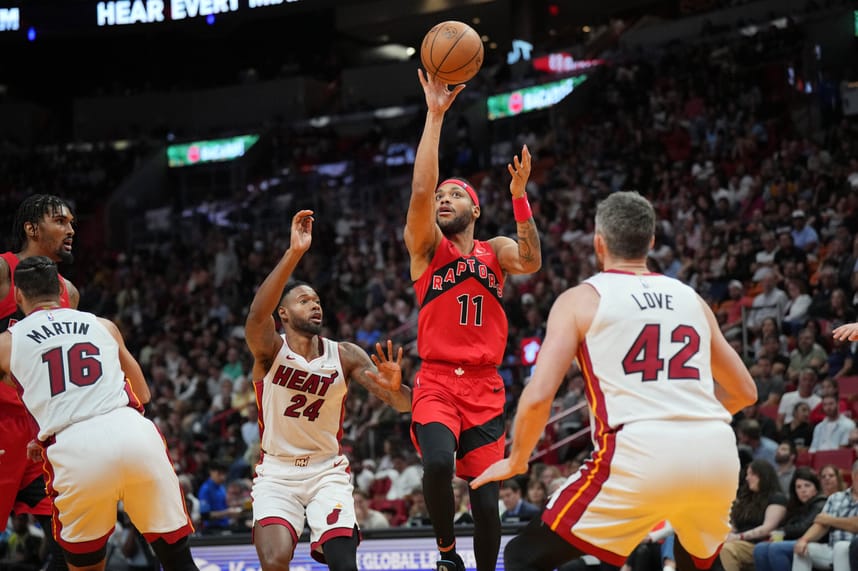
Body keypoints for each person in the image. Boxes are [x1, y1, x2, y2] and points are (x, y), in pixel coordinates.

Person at [470, 191, 757, 571]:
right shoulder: (691, 298)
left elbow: (539, 396)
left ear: (598, 243)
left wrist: (517, 460)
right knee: (697, 561)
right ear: (651, 241)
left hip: (638, 450)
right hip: (716, 453)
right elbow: (745, 391)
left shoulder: (581, 299)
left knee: (524, 555)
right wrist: (688, 425)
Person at [405, 70, 542, 571]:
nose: (444, 199)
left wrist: (521, 196)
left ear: (476, 209)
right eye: (443, 196)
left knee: (487, 503)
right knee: (438, 463)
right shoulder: (426, 251)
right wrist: (435, 116)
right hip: (437, 381)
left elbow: (531, 261)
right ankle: (446, 555)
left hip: (485, 388)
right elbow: (421, 189)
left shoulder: (495, 251)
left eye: (455, 194)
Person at [0, 256, 197, 571]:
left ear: (19, 297)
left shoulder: (7, 343)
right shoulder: (103, 325)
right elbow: (143, 393)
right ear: (60, 290)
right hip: (135, 435)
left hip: (75, 449)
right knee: (178, 561)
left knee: (86, 566)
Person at [244, 210, 411, 571]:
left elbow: (402, 405)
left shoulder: (346, 355)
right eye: (303, 300)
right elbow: (257, 316)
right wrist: (294, 253)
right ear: (284, 315)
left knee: (343, 564)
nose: (315, 304)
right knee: (274, 562)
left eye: (317, 299)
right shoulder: (270, 350)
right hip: (276, 472)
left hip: (326, 471)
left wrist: (398, 388)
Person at [0, 195, 80, 571]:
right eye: (61, 221)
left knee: (71, 541)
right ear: (32, 229)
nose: (71, 230)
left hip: (42, 433)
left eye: (72, 223)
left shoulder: (69, 292)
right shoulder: (3, 269)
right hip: (1, 425)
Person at [752, 467, 826, 571]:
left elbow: (804, 527)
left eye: (807, 486)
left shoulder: (820, 503)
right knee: (759, 548)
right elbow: (787, 525)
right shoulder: (796, 506)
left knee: (776, 548)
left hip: (814, 542)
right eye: (798, 487)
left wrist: (782, 532)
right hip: (794, 540)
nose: (803, 490)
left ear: (816, 488)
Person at [718, 459, 787, 571]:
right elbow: (735, 526)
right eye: (747, 474)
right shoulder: (746, 498)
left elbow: (767, 528)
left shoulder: (777, 498)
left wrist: (739, 537)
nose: (747, 478)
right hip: (739, 541)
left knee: (727, 549)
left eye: (752, 474)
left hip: (759, 543)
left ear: (764, 476)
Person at [791, 460, 858, 571]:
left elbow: (856, 524)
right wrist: (804, 539)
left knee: (841, 547)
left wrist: (830, 520)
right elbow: (821, 524)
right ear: (854, 476)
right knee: (802, 548)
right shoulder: (836, 497)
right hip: (831, 548)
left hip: (853, 550)